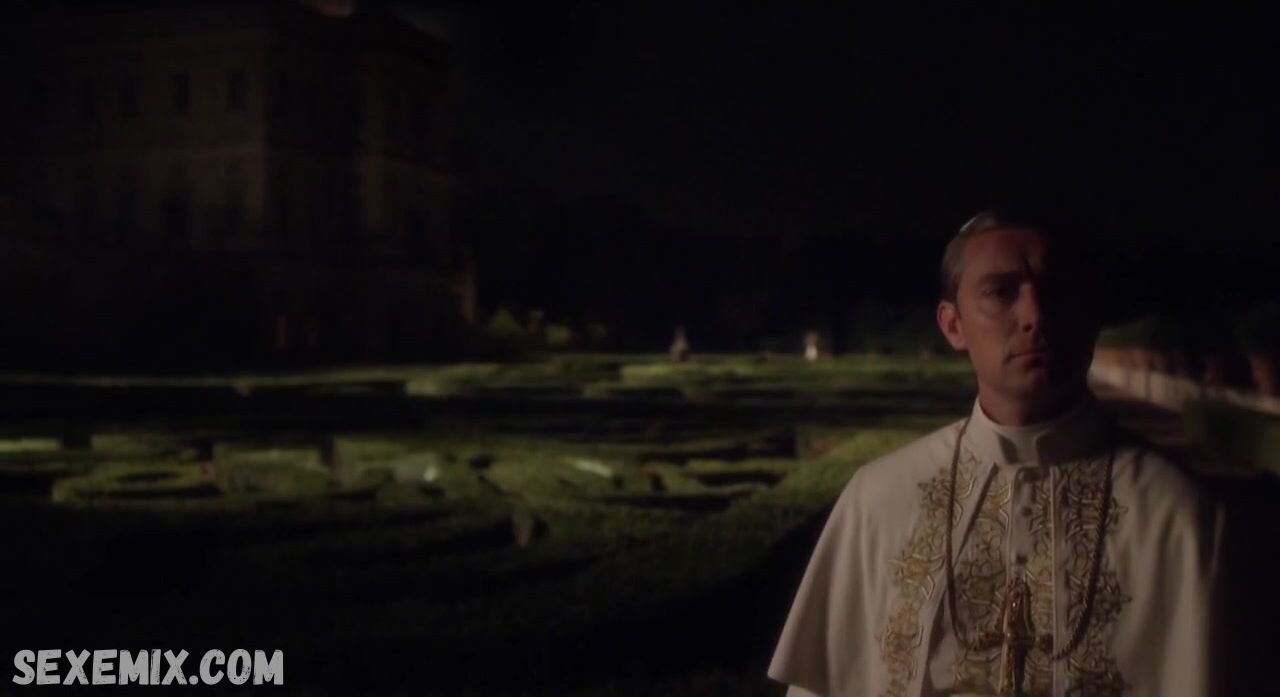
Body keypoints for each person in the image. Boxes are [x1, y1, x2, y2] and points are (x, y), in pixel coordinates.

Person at [768, 208, 1222, 696]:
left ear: (1091, 316)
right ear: (953, 325)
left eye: (1057, 291)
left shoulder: (1180, 515)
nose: (1035, 316)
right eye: (1001, 292)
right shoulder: (877, 499)